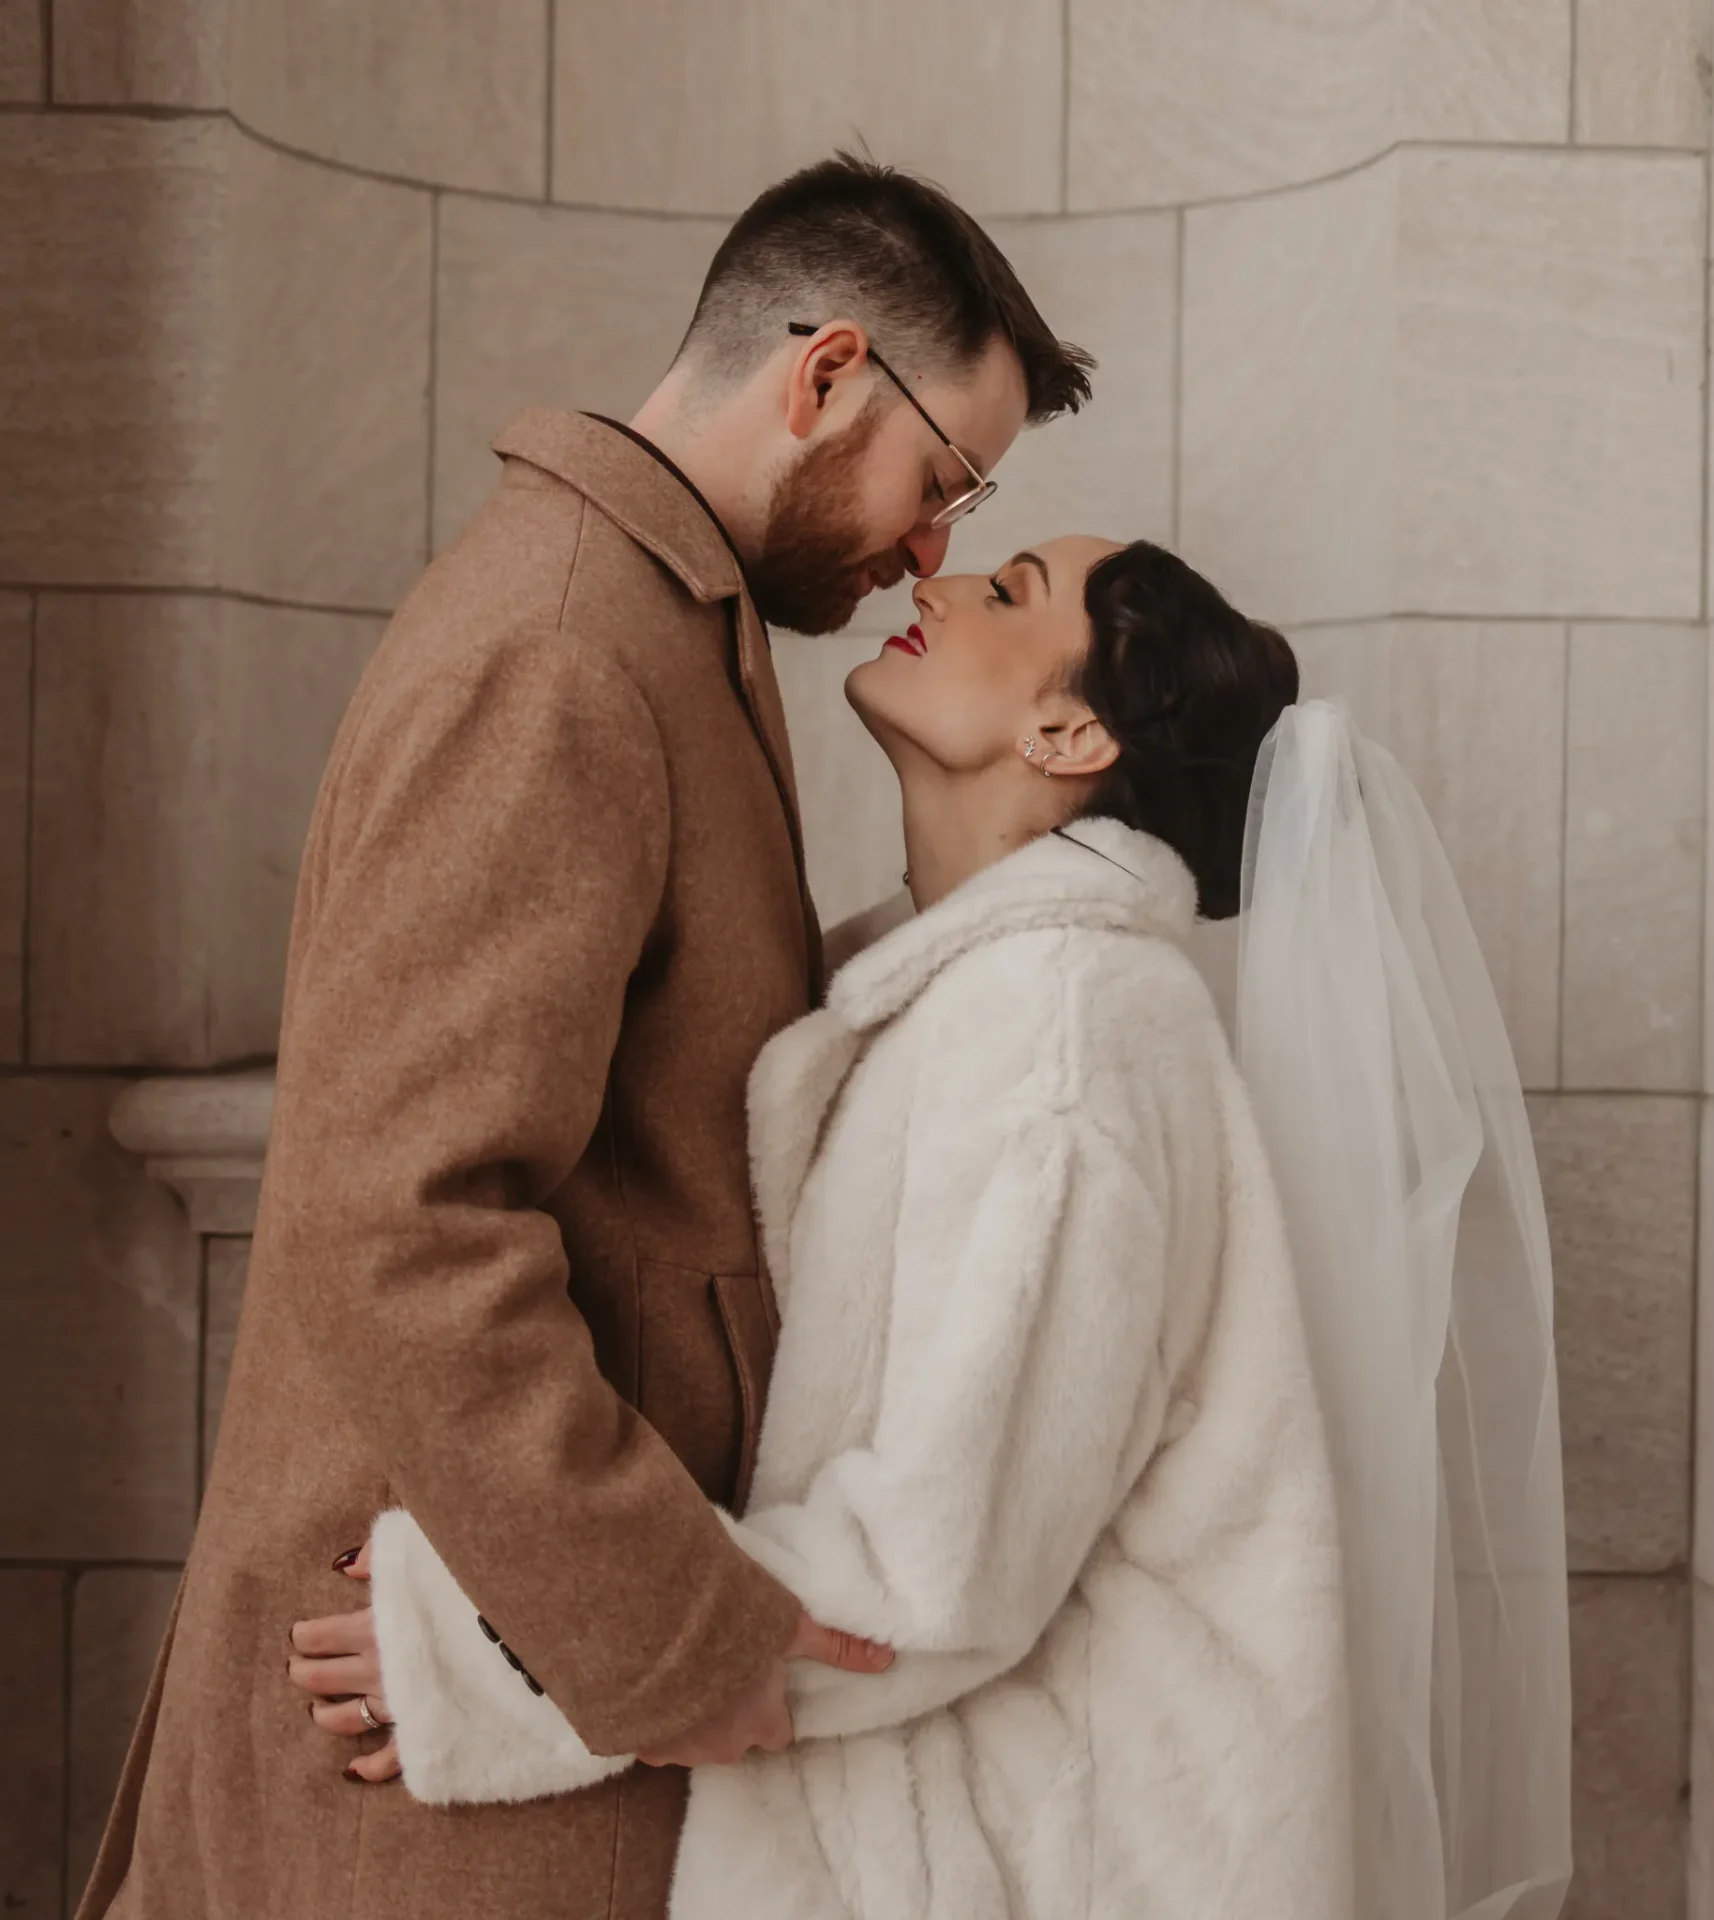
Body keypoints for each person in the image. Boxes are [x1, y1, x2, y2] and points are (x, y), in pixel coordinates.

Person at [75, 154, 1095, 1920]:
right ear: (826, 372)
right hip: (423, 1689)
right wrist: (664, 1629)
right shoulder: (563, 643)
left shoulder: (656, 614)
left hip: (506, 1652)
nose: (933, 550)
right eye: (940, 482)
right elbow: (396, 1215)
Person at [295, 538, 1572, 1919]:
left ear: (1067, 731)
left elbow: (942, 1566)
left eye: (1008, 592)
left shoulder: (1064, 1029)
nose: (937, 587)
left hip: (1065, 1854)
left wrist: (511, 1642)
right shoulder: (957, 998)